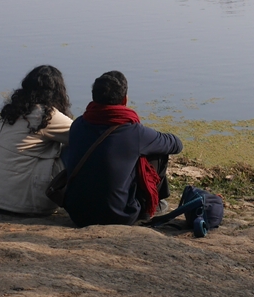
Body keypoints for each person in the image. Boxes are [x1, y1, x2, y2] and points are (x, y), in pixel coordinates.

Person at [61, 70, 182, 227]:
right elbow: (176, 144)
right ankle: (151, 206)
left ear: (94, 97)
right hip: (119, 216)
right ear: (125, 99)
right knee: (157, 153)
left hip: (78, 214)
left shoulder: (77, 125)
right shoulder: (133, 132)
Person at [0, 65, 73, 216]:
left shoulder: (11, 111)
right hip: (21, 202)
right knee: (78, 147)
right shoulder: (45, 116)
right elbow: (84, 135)